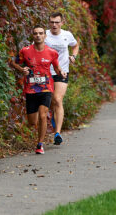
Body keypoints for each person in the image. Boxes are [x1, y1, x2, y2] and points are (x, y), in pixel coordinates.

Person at [12, 25, 66, 154]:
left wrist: (61, 73)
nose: (38, 36)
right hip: (30, 90)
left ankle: (40, 144)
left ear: (45, 36)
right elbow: (13, 62)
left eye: (41, 33)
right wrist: (21, 69)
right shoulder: (25, 51)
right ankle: (38, 136)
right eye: (35, 33)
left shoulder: (52, 52)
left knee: (43, 115)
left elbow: (57, 68)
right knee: (32, 122)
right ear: (33, 36)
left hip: (46, 88)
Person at [45, 12, 79, 146]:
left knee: (58, 99)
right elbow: (34, 49)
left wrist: (73, 57)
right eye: (52, 22)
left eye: (57, 22)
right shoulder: (44, 35)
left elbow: (75, 45)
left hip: (62, 72)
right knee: (51, 101)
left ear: (62, 23)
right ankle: (53, 121)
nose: (54, 25)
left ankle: (57, 133)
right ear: (49, 23)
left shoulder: (67, 35)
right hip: (46, 73)